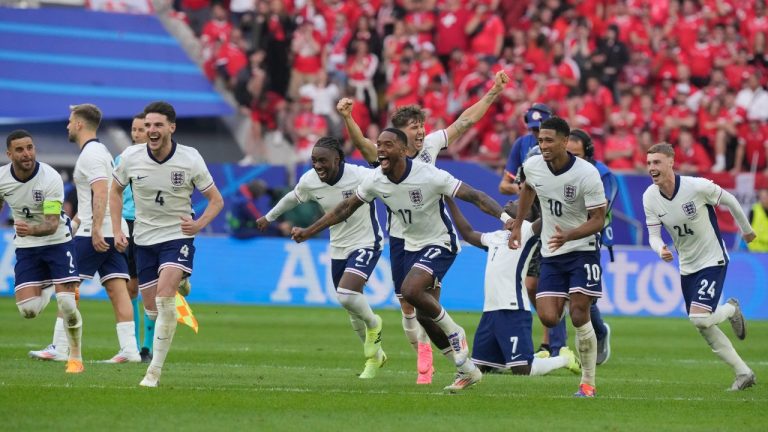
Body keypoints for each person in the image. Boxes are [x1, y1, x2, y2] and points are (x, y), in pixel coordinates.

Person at [293, 128, 507, 392]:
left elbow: (476, 196)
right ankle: (467, 370)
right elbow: (344, 209)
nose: (381, 149)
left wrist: (509, 221)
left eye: (388, 145)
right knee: (424, 316)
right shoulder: (375, 180)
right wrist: (309, 230)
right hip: (409, 246)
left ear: (404, 151)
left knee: (410, 290)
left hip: (440, 242)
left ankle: (456, 333)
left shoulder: (429, 175)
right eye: (379, 145)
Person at [336, 70, 509, 384]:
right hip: (401, 236)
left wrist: (493, 91)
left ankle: (447, 359)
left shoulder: (430, 146)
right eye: (414, 127)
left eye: (421, 126)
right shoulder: (386, 155)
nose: (421, 132)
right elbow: (363, 146)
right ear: (399, 135)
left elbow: (465, 122)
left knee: (425, 298)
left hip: (433, 233)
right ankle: (433, 356)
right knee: (407, 302)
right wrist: (348, 118)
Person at [110, 101, 224, 387]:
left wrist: (198, 225)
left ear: (171, 127)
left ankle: (154, 372)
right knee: (152, 309)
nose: (151, 130)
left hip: (177, 236)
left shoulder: (190, 158)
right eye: (148, 125)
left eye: (158, 125)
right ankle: (182, 281)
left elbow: (216, 200)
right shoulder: (131, 157)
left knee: (163, 299)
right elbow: (114, 190)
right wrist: (117, 228)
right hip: (144, 239)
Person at [257, 137, 386, 378]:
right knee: (350, 308)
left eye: (323, 161)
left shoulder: (359, 175)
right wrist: (269, 217)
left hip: (367, 242)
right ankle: (374, 357)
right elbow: (292, 198)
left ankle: (374, 324)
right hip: (338, 247)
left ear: (338, 160)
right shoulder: (310, 181)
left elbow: (387, 183)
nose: (318, 166)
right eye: (314, 160)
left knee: (347, 295)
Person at [642, 143, 756, 391]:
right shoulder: (649, 197)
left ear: (671, 162)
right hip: (687, 267)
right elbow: (653, 234)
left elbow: (731, 201)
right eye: (649, 162)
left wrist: (746, 231)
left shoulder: (697, 187)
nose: (652, 167)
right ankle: (743, 372)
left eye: (657, 162)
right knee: (702, 326)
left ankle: (730, 309)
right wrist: (659, 248)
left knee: (699, 318)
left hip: (712, 260)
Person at [508, 117, 607, 398]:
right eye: (540, 140)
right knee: (549, 318)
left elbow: (598, 219)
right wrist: (518, 225)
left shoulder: (586, 174)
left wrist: (571, 235)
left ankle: (587, 383)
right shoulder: (534, 166)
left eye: (549, 140)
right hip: (551, 250)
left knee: (578, 315)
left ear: (565, 142)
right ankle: (573, 296)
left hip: (583, 249)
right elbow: (527, 188)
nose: (543, 145)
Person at [446, 197, 581, 376]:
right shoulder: (494, 236)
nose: (511, 201)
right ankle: (528, 357)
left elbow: (550, 215)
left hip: (513, 309)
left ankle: (564, 358)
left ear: (527, 213)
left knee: (523, 370)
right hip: (490, 311)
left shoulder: (527, 230)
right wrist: (449, 200)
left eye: (518, 201)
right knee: (481, 369)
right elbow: (468, 233)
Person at [3, 130, 84, 373]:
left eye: (30, 147)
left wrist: (29, 229)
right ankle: (51, 284)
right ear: (9, 154)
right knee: (28, 310)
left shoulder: (49, 177)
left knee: (68, 303)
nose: (26, 153)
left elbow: (50, 224)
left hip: (57, 241)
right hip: (27, 247)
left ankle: (75, 358)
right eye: (20, 149)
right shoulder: (2, 178)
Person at [539, 130, 616, 364]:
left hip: (588, 236)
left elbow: (603, 209)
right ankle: (561, 340)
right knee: (567, 303)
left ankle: (599, 331)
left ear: (588, 153)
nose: (570, 155)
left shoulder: (599, 173)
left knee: (581, 302)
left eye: (577, 152)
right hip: (557, 237)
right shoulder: (553, 168)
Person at [69, 104, 139, 363]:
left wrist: (95, 228)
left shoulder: (91, 154)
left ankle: (60, 345)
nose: (67, 125)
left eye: (70, 120)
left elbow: (100, 191)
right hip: (107, 229)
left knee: (67, 285)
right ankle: (130, 349)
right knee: (117, 288)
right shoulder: (100, 151)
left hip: (94, 232)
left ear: (79, 124)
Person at [122, 112, 155, 363]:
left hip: (153, 225)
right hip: (128, 224)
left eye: (140, 129)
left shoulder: (162, 160)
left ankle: (147, 346)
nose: (136, 134)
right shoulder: (123, 158)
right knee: (131, 287)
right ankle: (133, 346)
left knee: (149, 288)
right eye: (134, 130)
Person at [498, 103, 553, 195]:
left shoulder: (560, 144)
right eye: (535, 129)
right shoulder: (521, 143)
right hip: (529, 202)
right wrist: (519, 188)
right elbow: (503, 185)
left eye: (541, 129)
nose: (539, 133)